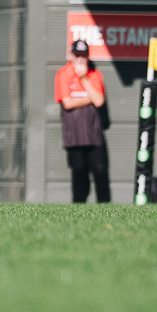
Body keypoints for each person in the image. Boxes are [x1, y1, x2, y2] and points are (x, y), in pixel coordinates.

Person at [56, 37, 111, 202]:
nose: (80, 59)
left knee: (100, 171)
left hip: (94, 134)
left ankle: (105, 208)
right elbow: (67, 103)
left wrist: (84, 79)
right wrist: (90, 98)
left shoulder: (95, 75)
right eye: (77, 55)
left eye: (83, 55)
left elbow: (99, 101)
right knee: (79, 173)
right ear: (71, 55)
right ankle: (78, 207)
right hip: (74, 135)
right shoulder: (63, 74)